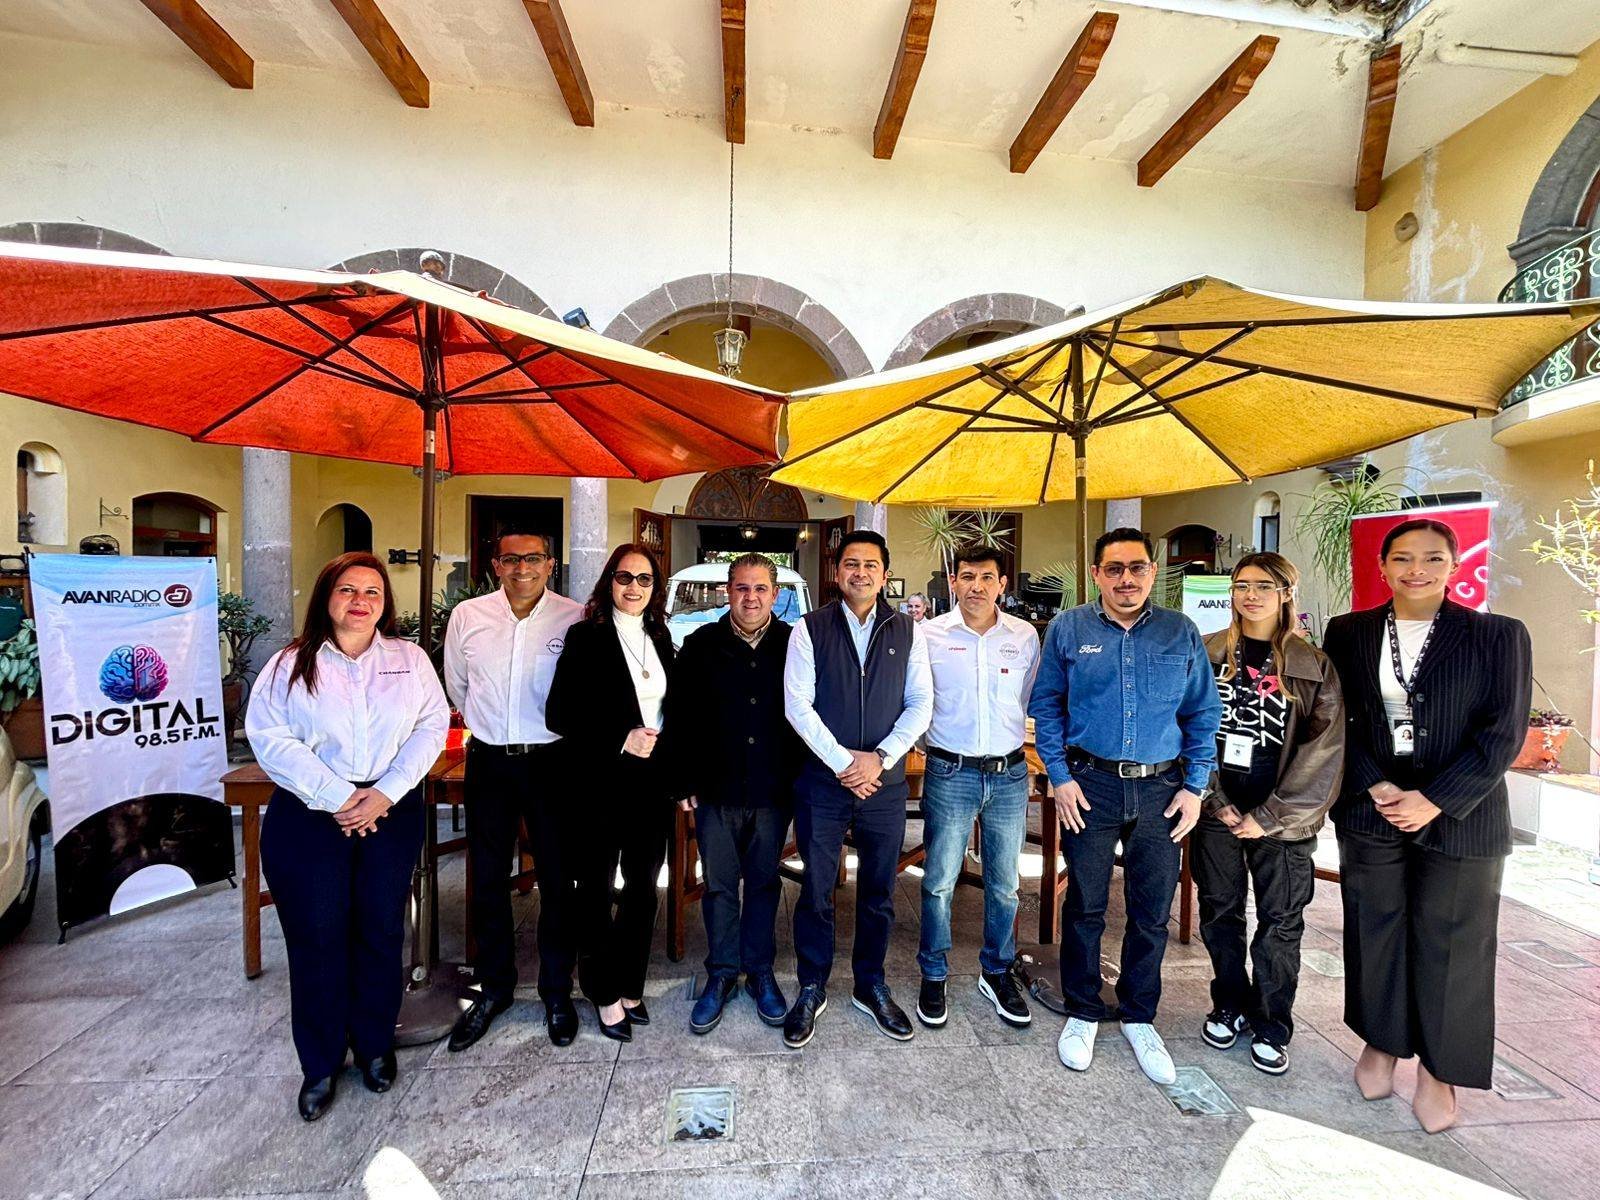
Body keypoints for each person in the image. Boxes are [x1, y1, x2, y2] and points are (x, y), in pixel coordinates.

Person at [1321, 519, 1531, 1134]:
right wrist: (1377, 785)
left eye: (1433, 558)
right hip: (1374, 806)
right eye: (1403, 558)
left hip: (1464, 813)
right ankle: (1382, 1043)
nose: (1417, 569)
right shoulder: (1350, 631)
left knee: (1456, 942)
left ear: (1455, 565)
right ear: (1382, 566)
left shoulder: (1498, 635)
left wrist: (1434, 799)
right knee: (1375, 927)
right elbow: (1338, 719)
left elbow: (1503, 733)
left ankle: (1440, 1070)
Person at [246, 552, 449, 1121]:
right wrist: (337, 795)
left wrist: (384, 792)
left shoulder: (408, 659)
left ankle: (375, 1046)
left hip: (389, 810)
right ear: (326, 597)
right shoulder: (290, 663)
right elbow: (269, 736)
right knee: (317, 937)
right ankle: (320, 1062)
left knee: (381, 932)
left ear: (385, 603)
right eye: (347, 590)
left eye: (372, 592)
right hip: (310, 816)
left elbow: (432, 725)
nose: (360, 601)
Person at [1028, 528, 1220, 1085]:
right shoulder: (1069, 628)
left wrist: (1195, 786)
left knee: (1151, 909)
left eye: (1137, 567)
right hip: (1090, 785)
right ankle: (1083, 1009)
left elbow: (1202, 713)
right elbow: (1047, 706)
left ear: (1153, 572)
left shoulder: (1180, 632)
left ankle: (1139, 1015)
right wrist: (1060, 777)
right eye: (1114, 569)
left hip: (1163, 790)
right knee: (1085, 904)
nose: (1126, 579)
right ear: (1096, 575)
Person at [1193, 553, 1344, 1076]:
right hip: (1216, 811)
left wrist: (1271, 815)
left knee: (1280, 921)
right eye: (1241, 585)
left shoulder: (1313, 665)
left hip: (1284, 821)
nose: (1250, 595)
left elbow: (1325, 751)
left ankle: (1272, 1021)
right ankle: (1229, 1002)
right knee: (1219, 911)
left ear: (1285, 593)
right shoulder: (1207, 652)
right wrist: (1216, 801)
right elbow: (1187, 730)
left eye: (1263, 586)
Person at [782, 529, 932, 1047]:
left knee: (878, 889)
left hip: (884, 785)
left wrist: (881, 759)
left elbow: (921, 703)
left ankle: (871, 984)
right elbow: (797, 705)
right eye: (851, 563)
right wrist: (847, 763)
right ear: (837, 571)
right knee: (816, 889)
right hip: (823, 783)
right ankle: (811, 985)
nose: (860, 572)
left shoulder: (909, 630)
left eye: (870, 564)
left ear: (884, 575)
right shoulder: (809, 628)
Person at [442, 529, 584, 1053]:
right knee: (486, 878)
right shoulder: (468, 616)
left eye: (533, 558)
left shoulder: (573, 617)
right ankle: (495, 988)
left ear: (550, 564)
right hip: (489, 761)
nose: (522, 568)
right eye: (511, 559)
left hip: (553, 763)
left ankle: (556, 991)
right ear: (495, 565)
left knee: (557, 879)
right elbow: (457, 684)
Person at [664, 553, 802, 1034]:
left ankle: (760, 970)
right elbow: (678, 716)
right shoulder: (700, 644)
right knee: (720, 886)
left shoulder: (794, 643)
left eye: (760, 588)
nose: (750, 597)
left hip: (772, 788)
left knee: (763, 884)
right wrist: (681, 780)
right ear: (728, 591)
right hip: (715, 789)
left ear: (775, 594)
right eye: (742, 588)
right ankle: (722, 973)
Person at [545, 543, 675, 1043]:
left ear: (654, 587)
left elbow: (669, 711)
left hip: (650, 785)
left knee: (643, 887)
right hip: (598, 783)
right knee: (596, 889)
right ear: (609, 582)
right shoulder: (586, 637)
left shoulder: (660, 635)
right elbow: (560, 714)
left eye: (644, 579)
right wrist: (621, 737)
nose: (634, 587)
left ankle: (630, 983)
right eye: (625, 577)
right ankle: (602, 991)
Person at [916, 542, 1040, 1030]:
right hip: (950, 772)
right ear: (953, 582)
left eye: (987, 577)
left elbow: (1027, 700)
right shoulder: (929, 634)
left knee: (1005, 885)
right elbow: (918, 700)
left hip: (1009, 775)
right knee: (938, 881)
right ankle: (933, 971)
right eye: (967, 576)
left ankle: (997, 970)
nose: (977, 586)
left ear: (1002, 585)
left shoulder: (1024, 636)